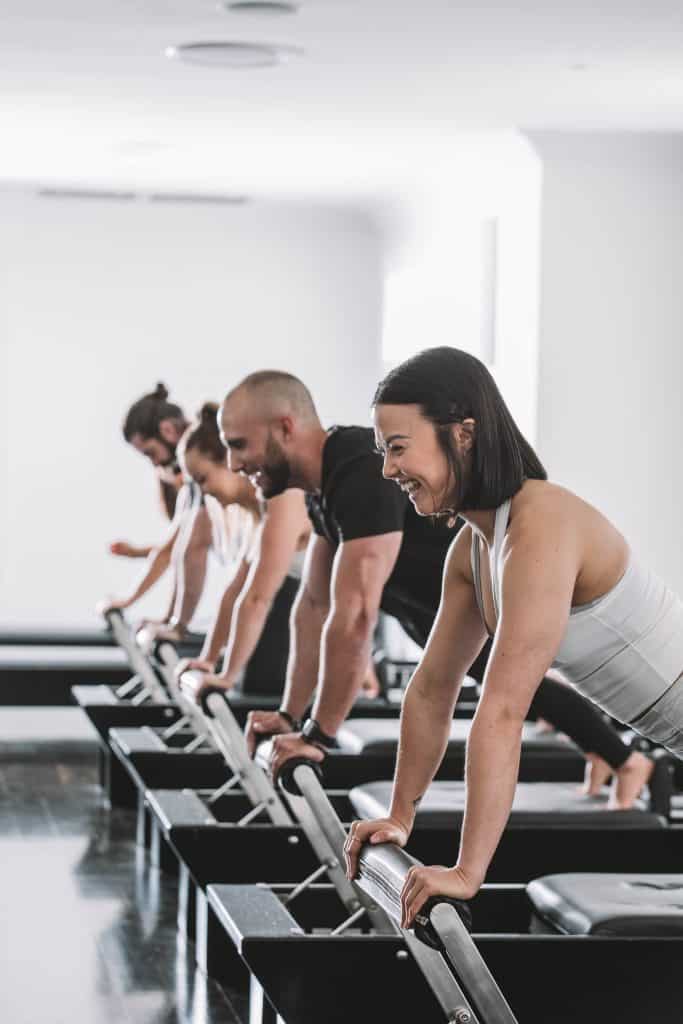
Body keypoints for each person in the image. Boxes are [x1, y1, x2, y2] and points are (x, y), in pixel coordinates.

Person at [344, 346, 683, 926]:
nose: (387, 471)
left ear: (464, 434)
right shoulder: (474, 549)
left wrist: (467, 872)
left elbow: (501, 713)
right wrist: (401, 815)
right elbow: (432, 689)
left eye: (398, 448)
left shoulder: (540, 526)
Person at [220, 370, 652, 804]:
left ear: (285, 427)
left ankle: (626, 759)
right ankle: (610, 752)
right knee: (523, 691)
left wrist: (317, 737)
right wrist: (289, 716)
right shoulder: (323, 487)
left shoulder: (354, 467)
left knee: (525, 692)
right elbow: (313, 606)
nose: (234, 465)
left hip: (486, 602)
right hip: (429, 612)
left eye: (238, 445)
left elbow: (354, 616)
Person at [174, 403, 311, 696]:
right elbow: (237, 591)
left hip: (299, 633)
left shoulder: (283, 497)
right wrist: (207, 661)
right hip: (285, 630)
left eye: (203, 479)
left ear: (228, 462)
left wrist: (226, 676)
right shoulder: (261, 510)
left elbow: (257, 599)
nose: (205, 492)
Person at [98, 383, 212, 638]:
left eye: (151, 452)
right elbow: (179, 548)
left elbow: (185, 549)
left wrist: (176, 625)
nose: (155, 463)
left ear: (168, 430)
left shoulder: (204, 467)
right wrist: (170, 620)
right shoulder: (192, 479)